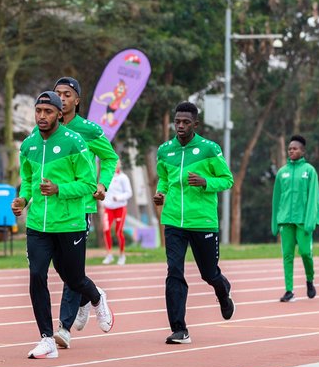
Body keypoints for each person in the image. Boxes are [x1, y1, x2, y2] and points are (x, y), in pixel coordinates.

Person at [12, 91, 113, 359]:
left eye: (47, 112)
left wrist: (59, 189)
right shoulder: (29, 145)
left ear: (59, 114)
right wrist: (23, 199)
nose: (42, 116)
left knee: (74, 278)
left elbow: (89, 184)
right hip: (38, 226)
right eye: (38, 111)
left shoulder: (74, 142)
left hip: (69, 223)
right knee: (36, 276)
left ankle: (96, 296)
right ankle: (46, 338)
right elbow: (28, 180)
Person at [153, 101, 235, 344]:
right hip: (173, 222)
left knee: (209, 273)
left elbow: (227, 180)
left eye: (185, 122)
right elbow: (164, 179)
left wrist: (206, 182)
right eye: (177, 121)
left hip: (202, 221)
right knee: (174, 272)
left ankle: (222, 290)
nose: (180, 126)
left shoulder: (210, 149)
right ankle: (179, 329)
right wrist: (160, 193)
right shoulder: (165, 150)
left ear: (195, 124)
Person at [51, 77, 118, 350]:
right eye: (57, 94)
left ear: (77, 100)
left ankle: (63, 328)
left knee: (70, 267)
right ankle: (91, 295)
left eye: (67, 94)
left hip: (80, 207)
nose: (62, 98)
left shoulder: (88, 130)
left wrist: (103, 184)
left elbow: (110, 157)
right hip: (50, 210)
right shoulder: (44, 129)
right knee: (64, 268)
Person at [271, 135, 319, 303]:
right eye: (290, 148)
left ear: (303, 151)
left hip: (303, 221)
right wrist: (275, 221)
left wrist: (310, 221)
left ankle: (309, 279)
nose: (291, 151)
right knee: (287, 256)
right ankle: (289, 290)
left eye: (295, 148)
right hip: (286, 220)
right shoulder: (282, 172)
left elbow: (314, 197)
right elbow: (276, 199)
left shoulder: (309, 171)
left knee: (306, 253)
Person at [101, 161, 133, 265]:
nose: (114, 165)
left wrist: (118, 198)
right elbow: (102, 190)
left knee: (118, 231)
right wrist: (103, 203)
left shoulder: (123, 177)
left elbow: (129, 192)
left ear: (119, 164)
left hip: (120, 207)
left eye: (116, 163)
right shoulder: (105, 176)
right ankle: (109, 255)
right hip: (108, 208)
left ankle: (122, 255)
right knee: (106, 230)